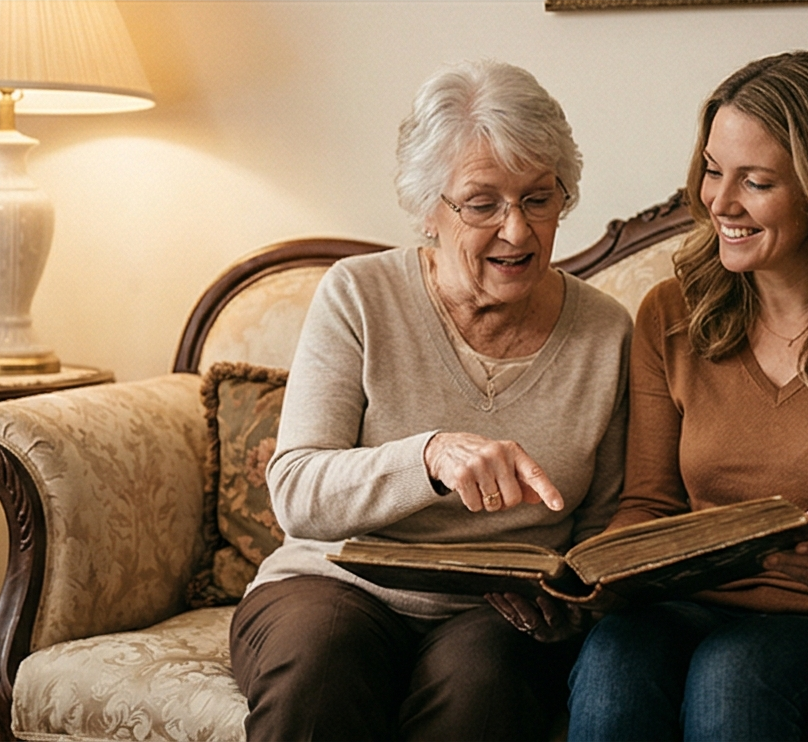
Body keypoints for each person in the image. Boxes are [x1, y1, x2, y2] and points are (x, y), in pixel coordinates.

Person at [228, 59, 632, 741]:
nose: (518, 230)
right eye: (482, 204)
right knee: (319, 670)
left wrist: (573, 599)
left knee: (484, 690)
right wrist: (430, 457)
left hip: (498, 610)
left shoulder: (607, 332)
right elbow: (296, 488)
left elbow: (607, 519)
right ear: (427, 209)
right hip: (334, 583)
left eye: (539, 198)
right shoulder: (359, 296)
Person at [565, 50, 808, 741]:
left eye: (757, 181)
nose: (720, 202)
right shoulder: (671, 313)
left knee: (736, 668)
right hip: (691, 607)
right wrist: (591, 570)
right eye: (713, 171)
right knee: (614, 654)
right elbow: (650, 506)